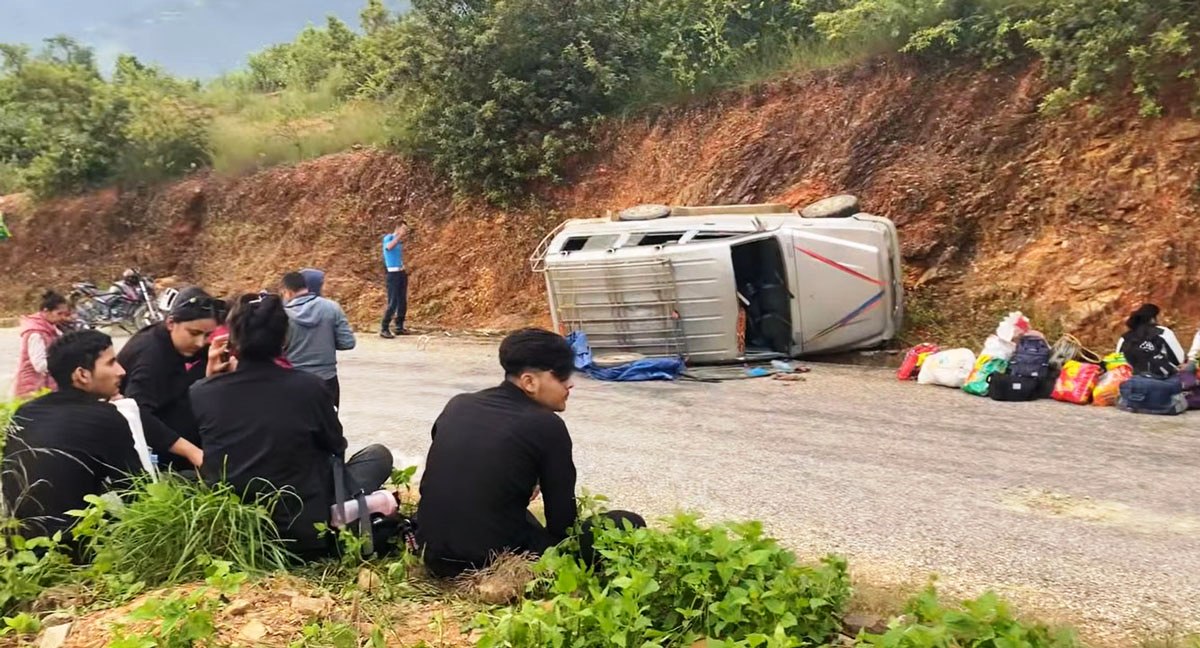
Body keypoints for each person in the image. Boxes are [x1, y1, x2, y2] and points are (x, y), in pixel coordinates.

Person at [416, 328, 644, 578]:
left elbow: (461, 467)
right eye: (561, 375)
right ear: (529, 382)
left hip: (433, 555)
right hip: (493, 565)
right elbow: (562, 525)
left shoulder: (459, 404)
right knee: (627, 522)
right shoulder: (546, 425)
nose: (570, 383)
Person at [190, 294, 393, 559]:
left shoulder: (202, 392)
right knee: (377, 455)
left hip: (238, 532)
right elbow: (335, 446)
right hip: (306, 533)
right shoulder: (310, 387)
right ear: (285, 339)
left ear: (231, 340)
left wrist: (211, 378)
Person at [1, 330, 142, 542]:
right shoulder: (106, 417)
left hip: (21, 545)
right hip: (73, 550)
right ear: (82, 375)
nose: (121, 371)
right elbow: (135, 491)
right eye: (111, 363)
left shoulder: (25, 412)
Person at [117, 286, 215, 471]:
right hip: (152, 448)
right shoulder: (152, 357)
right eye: (194, 333)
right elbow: (138, 414)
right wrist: (192, 452)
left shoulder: (172, 339)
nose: (200, 342)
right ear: (171, 323)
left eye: (207, 335)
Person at [281, 272, 356, 407]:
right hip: (327, 379)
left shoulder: (282, 314)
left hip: (293, 380)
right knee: (328, 425)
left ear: (288, 292)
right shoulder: (332, 308)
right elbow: (347, 342)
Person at [11, 290, 72, 398]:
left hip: (46, 386)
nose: (62, 317)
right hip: (33, 388)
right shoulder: (35, 333)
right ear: (46, 311)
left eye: (65, 314)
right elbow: (40, 365)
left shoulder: (52, 327)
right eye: (59, 313)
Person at [1117, 303, 1186, 378]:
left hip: (1133, 382)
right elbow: (1180, 359)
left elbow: (1118, 362)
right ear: (1153, 318)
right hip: (1162, 381)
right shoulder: (1163, 332)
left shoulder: (1124, 338)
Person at [380, 220, 410, 339]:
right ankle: (384, 328)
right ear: (398, 228)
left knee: (402, 301)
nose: (405, 232)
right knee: (392, 302)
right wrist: (398, 236)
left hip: (400, 272)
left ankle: (399, 326)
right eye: (403, 229)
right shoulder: (389, 238)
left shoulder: (399, 243)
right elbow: (388, 248)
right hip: (392, 274)